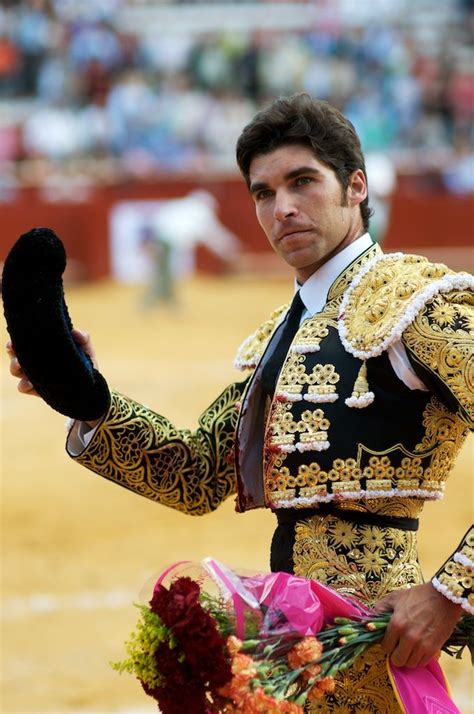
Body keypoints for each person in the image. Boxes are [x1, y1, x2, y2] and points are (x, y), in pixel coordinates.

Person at [7, 94, 473, 712]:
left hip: (382, 643)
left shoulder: (416, 302)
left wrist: (449, 594)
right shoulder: (281, 336)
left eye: (302, 182)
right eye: (262, 192)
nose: (282, 208)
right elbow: (196, 475)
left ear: (355, 186)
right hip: (288, 647)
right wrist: (84, 396)